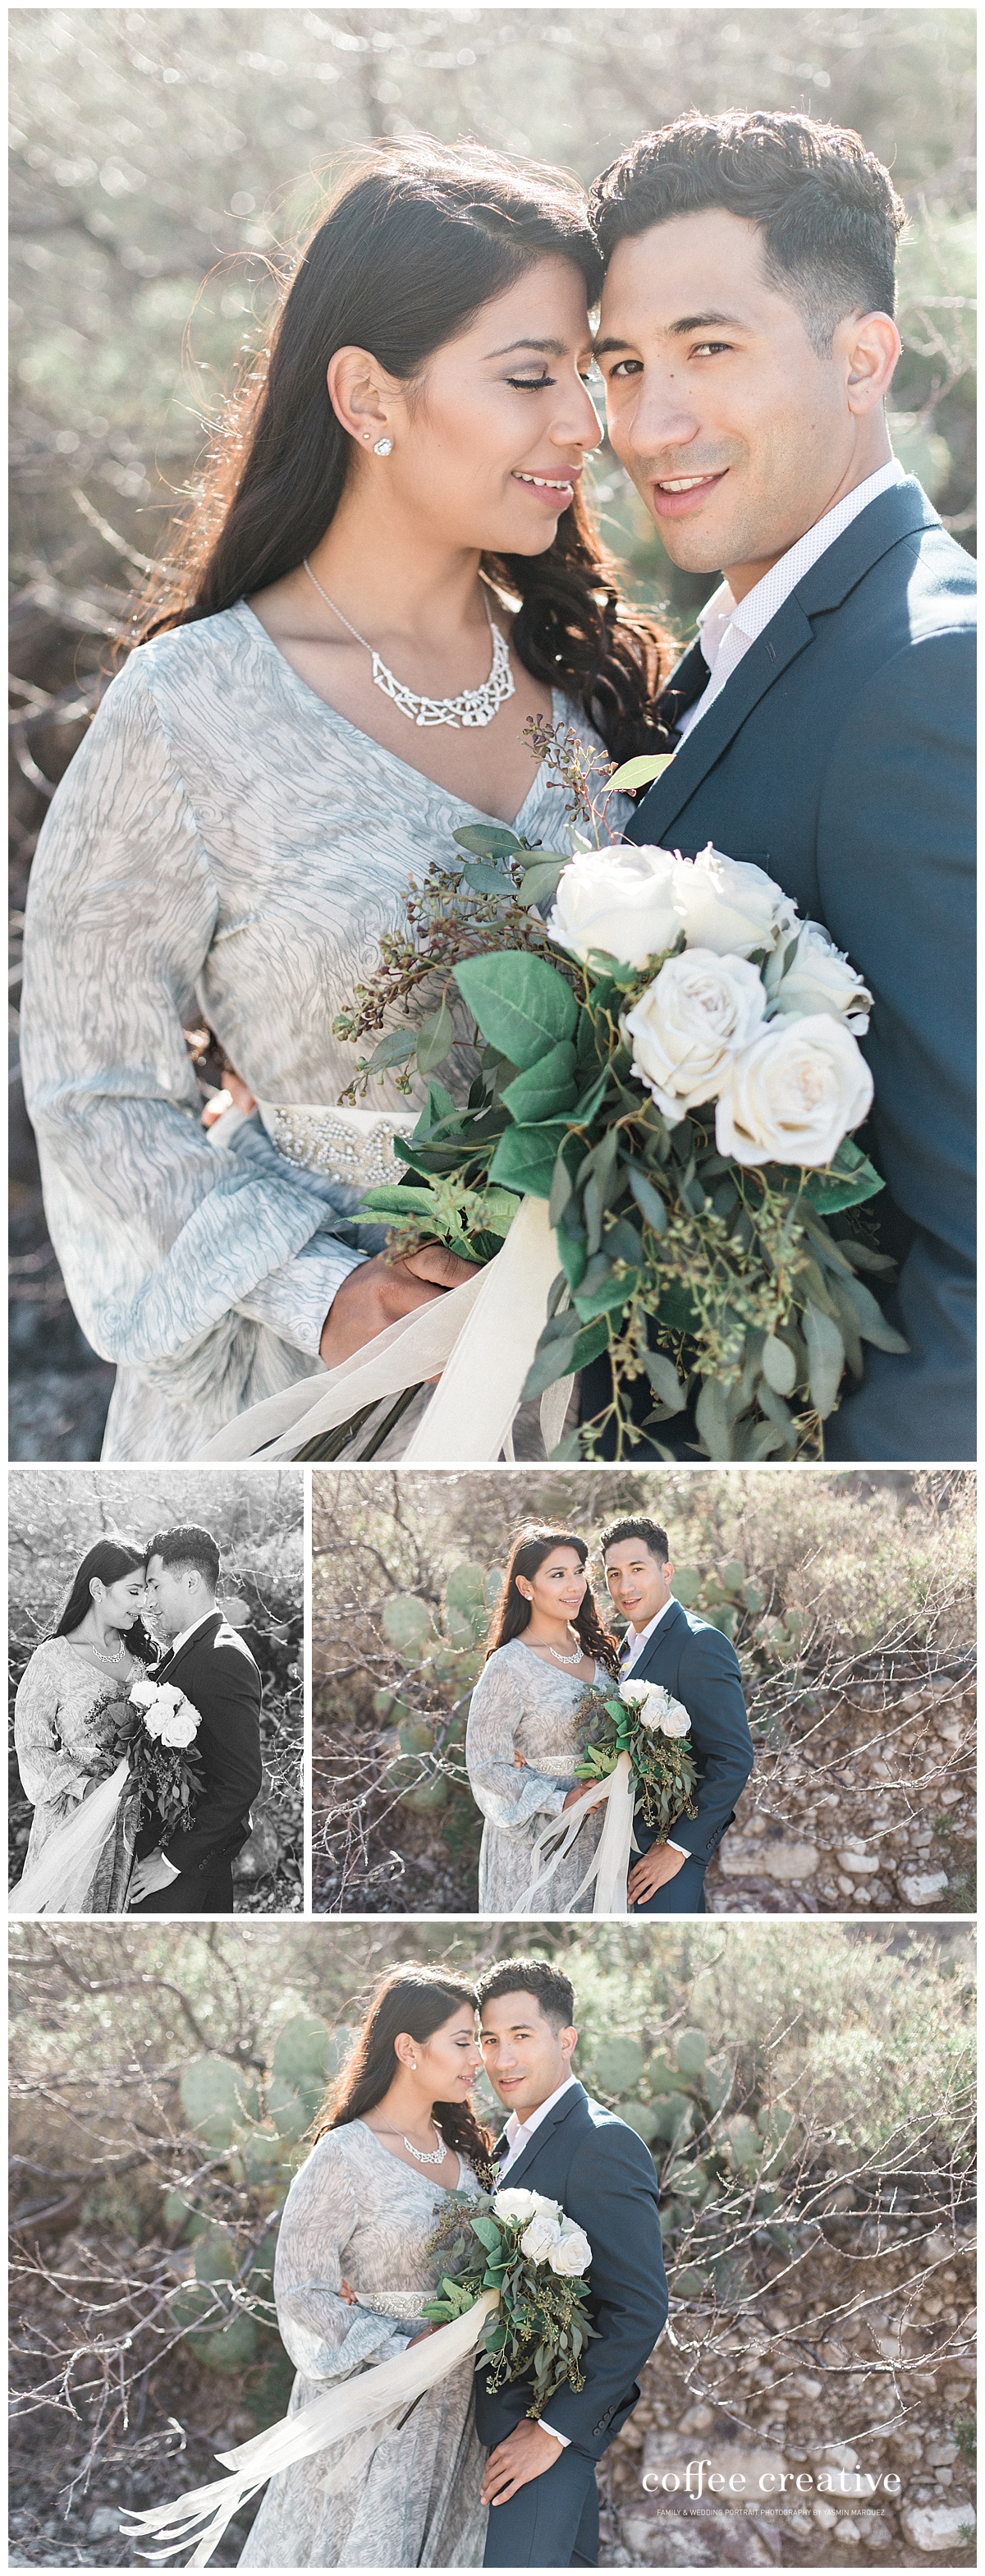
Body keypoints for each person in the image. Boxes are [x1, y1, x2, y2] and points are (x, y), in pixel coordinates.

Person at [21, 140, 667, 1463]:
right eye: (533, 378)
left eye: (591, 378)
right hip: (315, 1398)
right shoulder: (192, 708)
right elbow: (93, 1084)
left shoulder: (606, 692)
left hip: (601, 1380)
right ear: (372, 395)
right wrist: (320, 1292)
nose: (585, 427)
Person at [583, 109, 976, 1463]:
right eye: (621, 364)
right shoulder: (744, 637)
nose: (650, 422)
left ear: (863, 357)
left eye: (709, 349)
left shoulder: (927, 676)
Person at [239, 1968, 492, 2569]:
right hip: (374, 2399)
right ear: (409, 2048)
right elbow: (302, 2291)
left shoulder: (470, 2153)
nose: (479, 2058)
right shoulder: (344, 2154)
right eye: (463, 2041)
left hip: (463, 2405)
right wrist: (400, 2351)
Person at [474, 1958, 668, 2568]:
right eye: (489, 2039)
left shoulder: (601, 2142)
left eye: (521, 2036)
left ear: (566, 2040)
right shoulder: (503, 2142)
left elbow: (640, 2309)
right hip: (497, 2437)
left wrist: (553, 2432)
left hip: (539, 2443)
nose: (502, 2058)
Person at [599, 1517, 754, 1913]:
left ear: (666, 1571)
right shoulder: (622, 1651)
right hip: (616, 1850)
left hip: (664, 1861)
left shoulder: (699, 1644)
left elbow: (733, 1757)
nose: (625, 1586)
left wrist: (678, 1848)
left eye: (637, 1570)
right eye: (613, 1574)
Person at [465, 1527, 620, 1913]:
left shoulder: (601, 1654)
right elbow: (485, 1765)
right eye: (558, 1575)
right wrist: (560, 1800)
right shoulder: (509, 1665)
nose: (575, 1585)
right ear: (526, 1586)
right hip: (539, 1834)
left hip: (606, 1827)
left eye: (579, 1571)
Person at [11, 1541, 155, 1912]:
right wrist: (85, 1785)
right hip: (74, 1817)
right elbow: (31, 1748)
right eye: (134, 1591)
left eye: (148, 1591)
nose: (143, 1603)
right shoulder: (52, 1659)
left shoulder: (146, 1658)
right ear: (97, 1589)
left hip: (141, 1816)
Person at [128, 1524, 263, 1913]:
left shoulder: (223, 1657)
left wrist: (171, 1863)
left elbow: (241, 1782)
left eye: (155, 1586)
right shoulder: (189, 1648)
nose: (149, 1601)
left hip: (185, 1872)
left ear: (189, 1582)